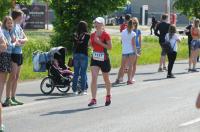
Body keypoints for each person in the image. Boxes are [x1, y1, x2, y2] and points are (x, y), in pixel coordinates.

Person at [3, 10, 28, 107]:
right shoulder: (12, 26)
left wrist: (21, 40)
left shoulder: (19, 27)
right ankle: (7, 98)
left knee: (17, 77)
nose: (23, 18)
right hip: (13, 54)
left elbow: (25, 38)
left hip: (20, 53)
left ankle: (13, 97)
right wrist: (18, 41)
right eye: (21, 16)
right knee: (12, 76)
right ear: (17, 17)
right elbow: (13, 40)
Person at [88, 17, 112, 106]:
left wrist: (99, 42)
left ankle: (108, 95)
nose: (96, 24)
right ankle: (93, 99)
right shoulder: (92, 34)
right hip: (95, 58)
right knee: (94, 78)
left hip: (104, 59)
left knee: (106, 79)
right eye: (95, 23)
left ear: (102, 24)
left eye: (98, 23)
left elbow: (110, 47)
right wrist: (90, 43)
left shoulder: (106, 35)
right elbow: (90, 45)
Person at [0, 16, 15, 132]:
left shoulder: (5, 32)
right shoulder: (4, 31)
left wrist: (13, 42)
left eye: (11, 22)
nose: (10, 24)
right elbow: (7, 44)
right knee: (2, 80)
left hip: (5, 55)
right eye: (8, 22)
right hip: (5, 55)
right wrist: (14, 42)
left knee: (3, 80)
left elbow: (5, 44)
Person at [115, 19, 136, 85]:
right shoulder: (133, 33)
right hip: (131, 51)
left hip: (124, 51)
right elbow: (133, 44)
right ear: (133, 25)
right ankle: (129, 80)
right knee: (130, 66)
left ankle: (118, 79)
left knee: (122, 66)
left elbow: (122, 41)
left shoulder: (123, 32)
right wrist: (136, 52)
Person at [72, 21, 90, 95]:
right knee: (83, 73)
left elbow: (74, 44)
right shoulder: (88, 35)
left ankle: (74, 90)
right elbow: (89, 44)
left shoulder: (75, 35)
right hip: (84, 54)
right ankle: (83, 90)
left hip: (76, 55)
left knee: (76, 73)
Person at [132, 17, 142, 81]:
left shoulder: (138, 31)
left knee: (134, 63)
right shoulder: (130, 30)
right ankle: (129, 76)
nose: (134, 23)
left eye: (135, 22)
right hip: (131, 47)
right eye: (133, 22)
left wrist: (140, 48)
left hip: (137, 47)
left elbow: (140, 40)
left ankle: (132, 77)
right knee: (130, 63)